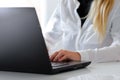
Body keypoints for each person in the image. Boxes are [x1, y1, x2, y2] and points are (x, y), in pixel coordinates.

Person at [44, 0, 120, 63]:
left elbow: (118, 50)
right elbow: (49, 37)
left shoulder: (116, 5)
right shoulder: (66, 3)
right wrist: (38, 52)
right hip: (71, 75)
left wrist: (79, 55)